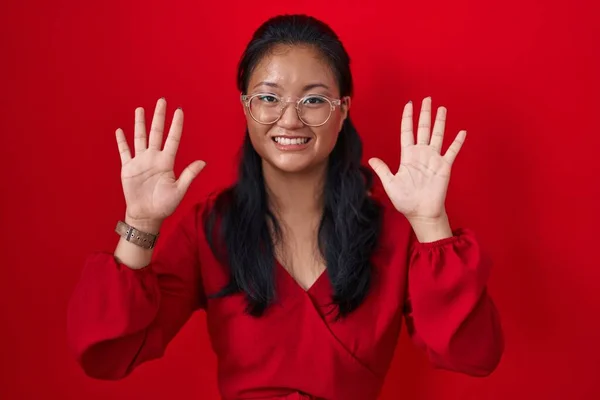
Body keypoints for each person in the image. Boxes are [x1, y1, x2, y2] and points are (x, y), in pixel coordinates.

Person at [67, 14, 504, 400]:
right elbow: (108, 354)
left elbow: (474, 355)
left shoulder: (394, 232)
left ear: (343, 110)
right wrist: (141, 223)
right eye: (269, 97)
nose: (290, 119)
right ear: (245, 106)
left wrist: (431, 224)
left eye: (313, 99)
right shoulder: (210, 228)